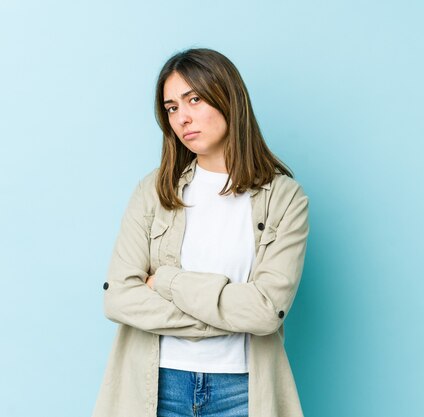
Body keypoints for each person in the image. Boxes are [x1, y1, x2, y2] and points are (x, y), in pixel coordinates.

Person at [92, 48, 310, 417]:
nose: (182, 118)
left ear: (228, 98)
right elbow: (118, 298)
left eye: (194, 99)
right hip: (157, 385)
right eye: (172, 107)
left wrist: (166, 282)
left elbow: (264, 312)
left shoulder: (285, 198)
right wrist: (226, 315)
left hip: (241, 391)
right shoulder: (154, 191)